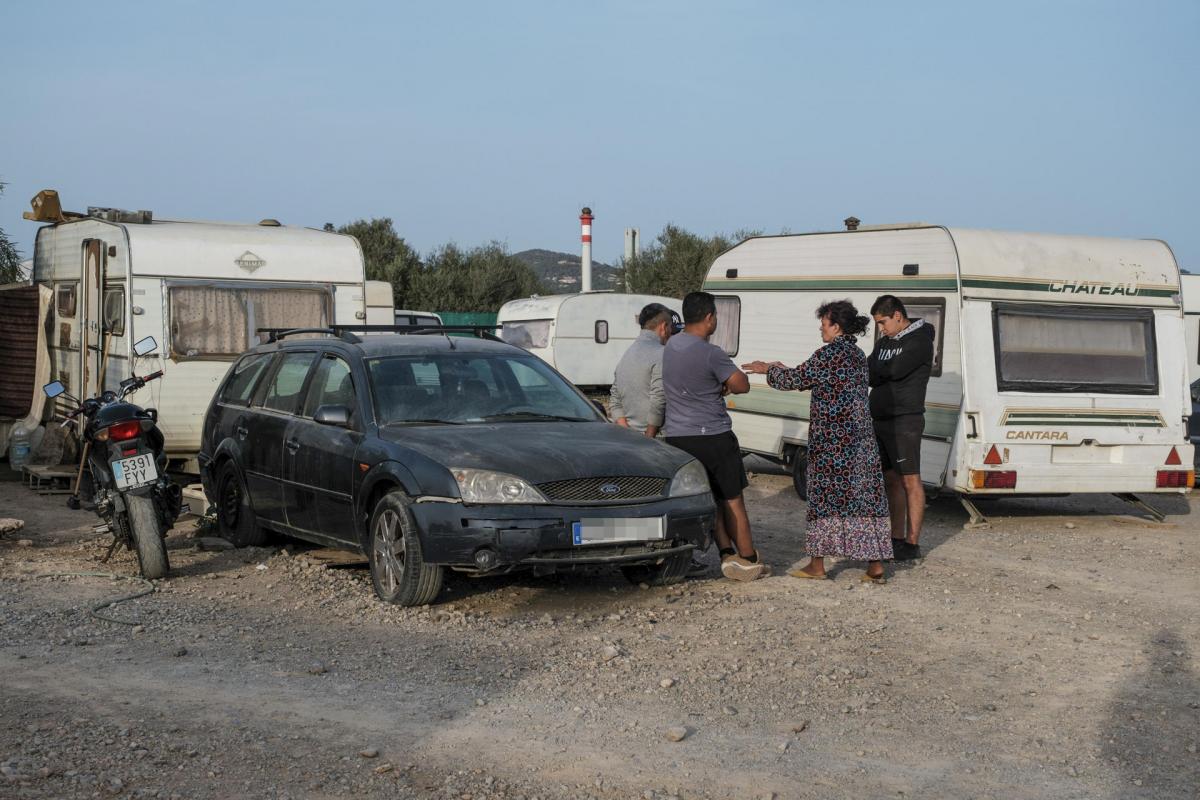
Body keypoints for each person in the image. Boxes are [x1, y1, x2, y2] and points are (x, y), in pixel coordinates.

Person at [742, 300, 892, 582]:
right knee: (863, 500)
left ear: (836, 327)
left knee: (824, 500)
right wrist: (781, 368)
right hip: (860, 442)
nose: (821, 329)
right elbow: (813, 377)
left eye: (824, 324)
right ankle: (875, 566)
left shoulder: (828, 354)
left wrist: (767, 369)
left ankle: (817, 565)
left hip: (832, 443)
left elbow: (796, 379)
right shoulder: (857, 355)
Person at [663, 291, 766, 582]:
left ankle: (726, 554)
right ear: (709, 318)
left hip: (679, 437)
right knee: (732, 499)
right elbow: (741, 384)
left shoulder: (671, 346)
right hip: (713, 435)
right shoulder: (711, 353)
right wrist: (725, 384)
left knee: (710, 498)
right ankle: (748, 559)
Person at [868, 295, 935, 561]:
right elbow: (869, 372)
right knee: (890, 479)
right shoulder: (884, 342)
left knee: (910, 479)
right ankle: (895, 538)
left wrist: (881, 370)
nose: (881, 328)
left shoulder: (920, 340)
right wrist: (881, 370)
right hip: (880, 418)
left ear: (898, 315)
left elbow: (894, 370)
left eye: (883, 322)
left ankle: (912, 543)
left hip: (905, 420)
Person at [609, 303, 679, 437]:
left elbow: (615, 399)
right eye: (670, 327)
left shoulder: (627, 354)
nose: (671, 332)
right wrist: (648, 437)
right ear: (664, 327)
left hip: (630, 435)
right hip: (655, 437)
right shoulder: (662, 353)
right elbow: (658, 399)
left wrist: (627, 431)